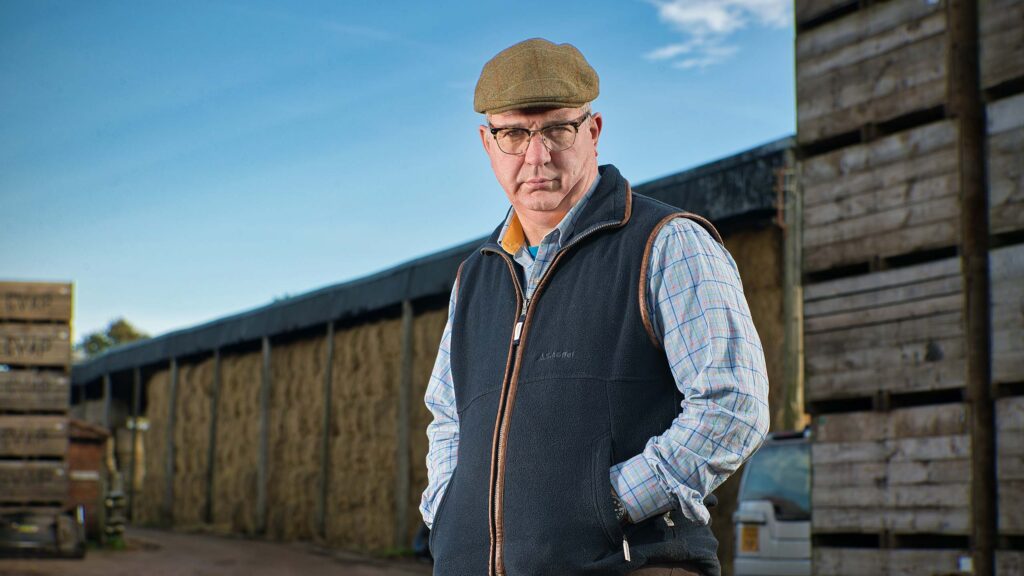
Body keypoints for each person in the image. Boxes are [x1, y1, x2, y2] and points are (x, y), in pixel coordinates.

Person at [420, 38, 770, 576]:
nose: (537, 156)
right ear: (486, 143)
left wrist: (607, 504)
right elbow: (448, 420)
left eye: (557, 129)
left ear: (594, 132)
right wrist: (448, 512)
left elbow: (733, 403)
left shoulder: (666, 242)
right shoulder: (475, 278)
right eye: (514, 133)